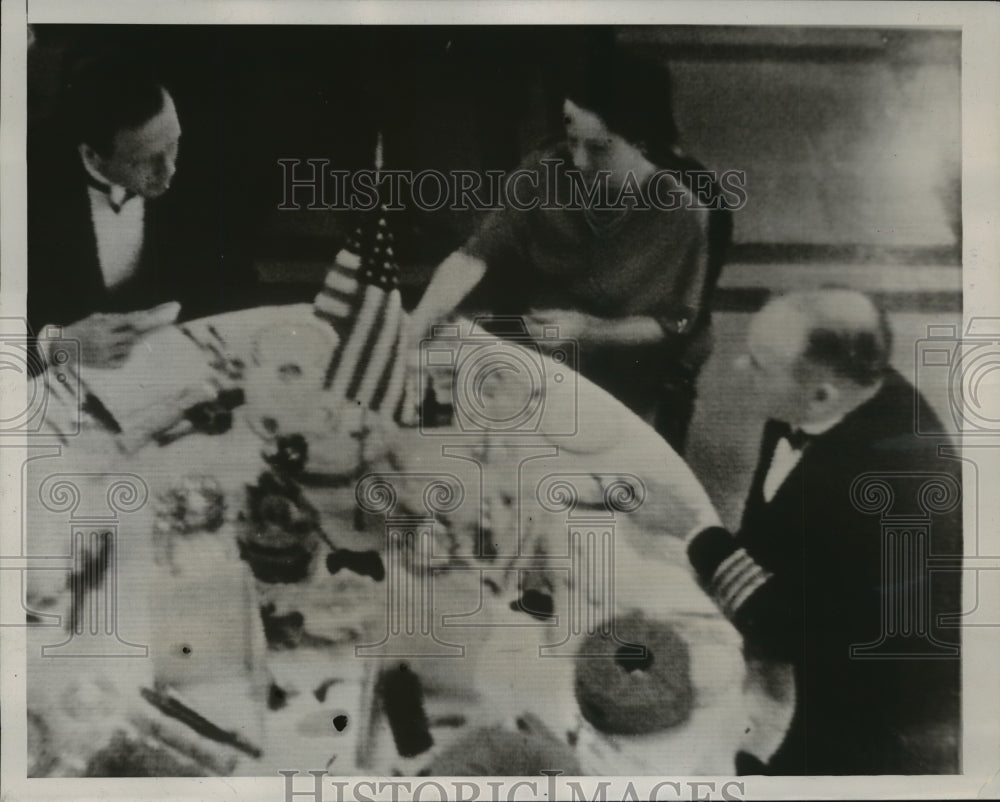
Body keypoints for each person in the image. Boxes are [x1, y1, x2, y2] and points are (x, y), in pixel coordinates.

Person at [685, 290, 962, 774]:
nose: (738, 367)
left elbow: (789, 631)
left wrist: (703, 540)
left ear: (821, 395)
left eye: (759, 364)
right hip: (813, 618)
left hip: (866, 701)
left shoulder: (888, 492)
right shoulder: (822, 400)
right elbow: (773, 532)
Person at [408, 50, 732, 452]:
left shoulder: (684, 211)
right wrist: (417, 324)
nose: (578, 161)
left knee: (583, 454)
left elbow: (675, 325)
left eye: (597, 149)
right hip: (544, 342)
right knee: (445, 394)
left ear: (642, 144)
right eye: (572, 139)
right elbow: (474, 255)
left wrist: (589, 331)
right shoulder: (544, 170)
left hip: (629, 358)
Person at [27, 57, 256, 369]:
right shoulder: (21, 181)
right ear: (92, 156)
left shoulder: (200, 152)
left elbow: (234, 275)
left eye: (173, 145)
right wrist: (54, 344)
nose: (170, 170)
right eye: (143, 160)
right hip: (63, 376)